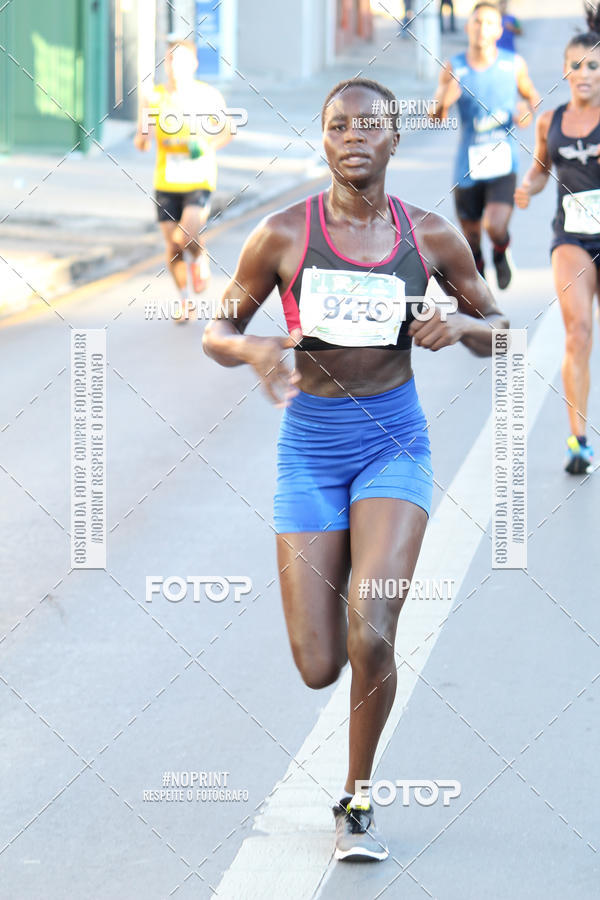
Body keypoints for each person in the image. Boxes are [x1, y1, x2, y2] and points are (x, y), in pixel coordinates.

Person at [203, 77, 508, 860]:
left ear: (394, 140)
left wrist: (461, 327)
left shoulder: (432, 237)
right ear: (325, 138)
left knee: (372, 628)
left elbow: (502, 330)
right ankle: (341, 589)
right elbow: (218, 330)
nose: (354, 138)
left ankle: (358, 797)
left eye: (370, 125)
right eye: (339, 126)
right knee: (318, 664)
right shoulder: (280, 235)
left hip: (392, 444)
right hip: (309, 447)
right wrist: (254, 349)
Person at [515, 2, 600, 474]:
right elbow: (540, 172)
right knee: (578, 333)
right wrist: (527, 188)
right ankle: (578, 440)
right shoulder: (550, 122)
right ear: (564, 70)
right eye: (575, 66)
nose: (583, 73)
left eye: (592, 66)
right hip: (571, 238)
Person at [430, 1, 539, 288]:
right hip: (468, 165)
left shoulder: (513, 64)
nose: (482, 29)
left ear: (499, 30)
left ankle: (501, 253)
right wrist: (443, 103)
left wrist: (525, 113)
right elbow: (435, 115)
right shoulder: (455, 66)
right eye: (477, 22)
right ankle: (478, 268)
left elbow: (532, 98)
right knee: (471, 236)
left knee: (495, 225)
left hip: (503, 161)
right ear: (468, 27)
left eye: (490, 23)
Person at [134, 37, 233, 321]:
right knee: (173, 245)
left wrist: (207, 146)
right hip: (166, 181)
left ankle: (200, 257)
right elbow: (142, 140)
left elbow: (228, 130)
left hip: (199, 178)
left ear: (193, 64)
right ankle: (184, 301)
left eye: (181, 61)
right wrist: (142, 138)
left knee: (184, 235)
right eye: (171, 60)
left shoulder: (208, 96)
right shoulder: (155, 97)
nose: (175, 67)